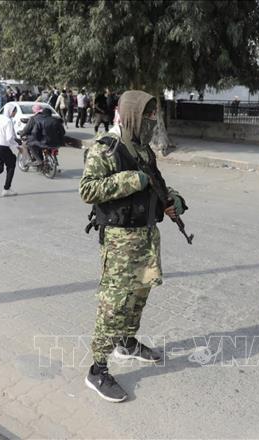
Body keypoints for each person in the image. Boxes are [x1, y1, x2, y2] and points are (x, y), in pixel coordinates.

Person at [80, 90, 187, 402]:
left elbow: (155, 182)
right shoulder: (106, 148)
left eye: (154, 115)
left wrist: (172, 200)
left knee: (140, 294)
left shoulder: (143, 149)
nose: (152, 121)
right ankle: (97, 369)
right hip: (120, 241)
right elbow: (87, 190)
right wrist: (130, 180)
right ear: (131, 115)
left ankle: (126, 342)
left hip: (147, 236)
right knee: (114, 304)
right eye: (147, 115)